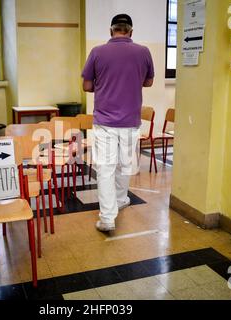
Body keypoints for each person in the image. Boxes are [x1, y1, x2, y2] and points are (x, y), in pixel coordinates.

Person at [81, 14, 154, 232]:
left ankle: (107, 218)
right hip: (131, 120)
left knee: (105, 168)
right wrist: (130, 82)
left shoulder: (97, 52)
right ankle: (121, 200)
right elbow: (149, 81)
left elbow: (86, 86)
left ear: (110, 30)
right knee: (124, 164)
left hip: (105, 120)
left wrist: (104, 85)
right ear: (131, 31)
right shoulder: (143, 52)